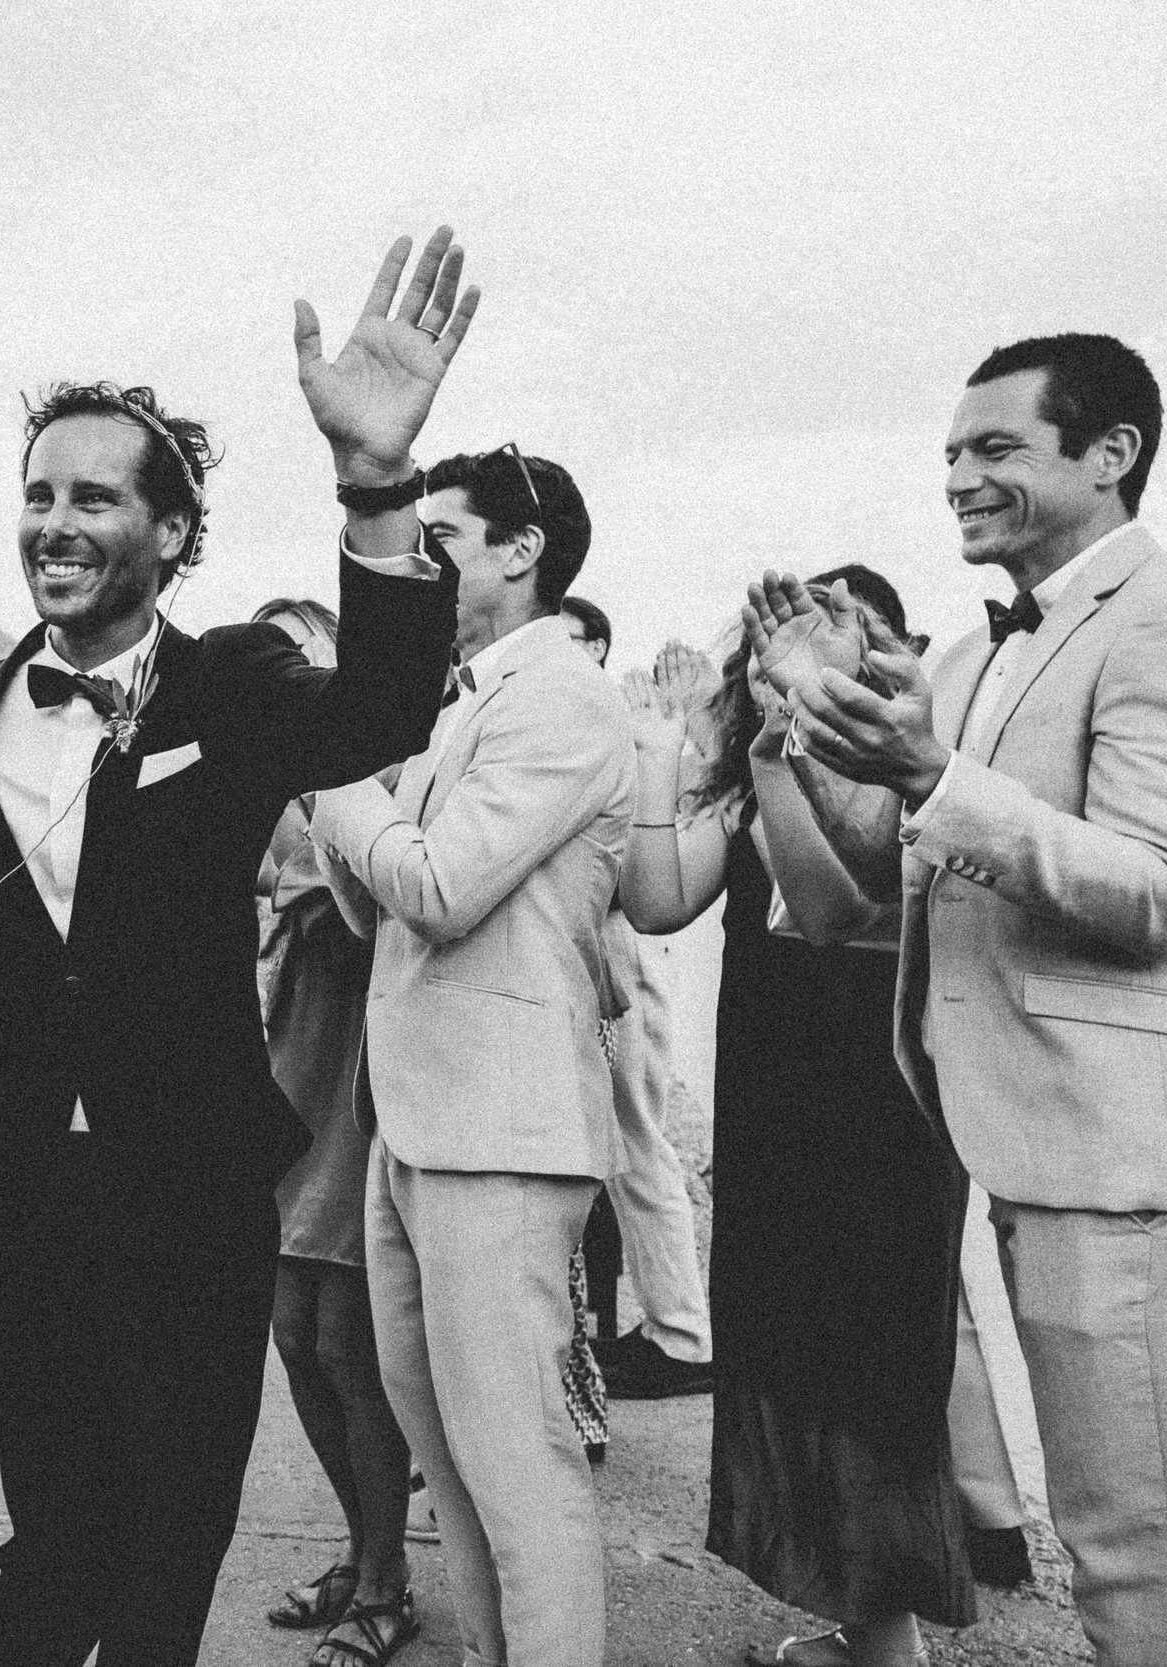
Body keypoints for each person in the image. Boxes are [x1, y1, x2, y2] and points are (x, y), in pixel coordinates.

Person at [0, 229, 467, 1667]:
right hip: (18, 1178)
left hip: (194, 1178)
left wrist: (378, 480)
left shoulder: (235, 680)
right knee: (50, 1532)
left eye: (94, 496)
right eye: (36, 495)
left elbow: (386, 712)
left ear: (170, 533)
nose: (54, 522)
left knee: (173, 1531)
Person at [782, 333, 1167, 1667]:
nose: (960, 479)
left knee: (1147, 1560)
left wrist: (932, 776)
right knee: (1108, 1539)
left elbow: (1163, 892)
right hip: (1003, 1143)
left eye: (996, 450)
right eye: (952, 456)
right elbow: (881, 884)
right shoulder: (971, 663)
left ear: (1111, 455)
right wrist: (805, 733)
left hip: (1123, 1163)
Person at [309, 443, 632, 1667]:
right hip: (418, 1119)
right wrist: (357, 809)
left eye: (439, 534)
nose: (421, 557)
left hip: (503, 1131)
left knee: (517, 1467)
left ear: (520, 549)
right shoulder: (461, 696)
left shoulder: (561, 695)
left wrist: (336, 782)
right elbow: (373, 912)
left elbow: (437, 887)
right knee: (445, 1459)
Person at [624, 571, 970, 1667]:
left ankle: (892, 1644)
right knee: (786, 1343)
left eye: (824, 649)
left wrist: (779, 750)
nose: (788, 671)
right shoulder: (746, 776)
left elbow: (832, 912)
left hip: (872, 1107)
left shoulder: (896, 783)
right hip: (772, 1096)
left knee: (863, 1359)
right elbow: (656, 898)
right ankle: (860, 1619)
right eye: (776, 654)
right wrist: (663, 744)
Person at [247, 596, 421, 1667]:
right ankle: (357, 1555)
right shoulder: (255, 772)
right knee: (290, 1331)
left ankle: (389, 1578)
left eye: (303, 658)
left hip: (356, 1060)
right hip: (273, 1068)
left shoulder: (383, 769)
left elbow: (334, 896)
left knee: (348, 1342)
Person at [557, 594, 716, 1400]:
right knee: (624, 1150)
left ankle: (681, 1334)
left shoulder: (630, 730)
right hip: (610, 954)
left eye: (578, 638)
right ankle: (665, 1326)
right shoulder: (593, 723)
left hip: (625, 957)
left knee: (639, 1144)